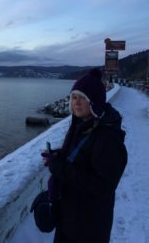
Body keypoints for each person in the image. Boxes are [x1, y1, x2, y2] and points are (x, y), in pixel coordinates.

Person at [43, 68, 127, 242]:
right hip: (69, 219)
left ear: (95, 102)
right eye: (74, 97)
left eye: (83, 98)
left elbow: (102, 186)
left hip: (88, 228)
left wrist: (59, 167)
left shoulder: (109, 137)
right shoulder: (81, 125)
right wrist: (59, 155)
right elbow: (82, 155)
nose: (76, 103)